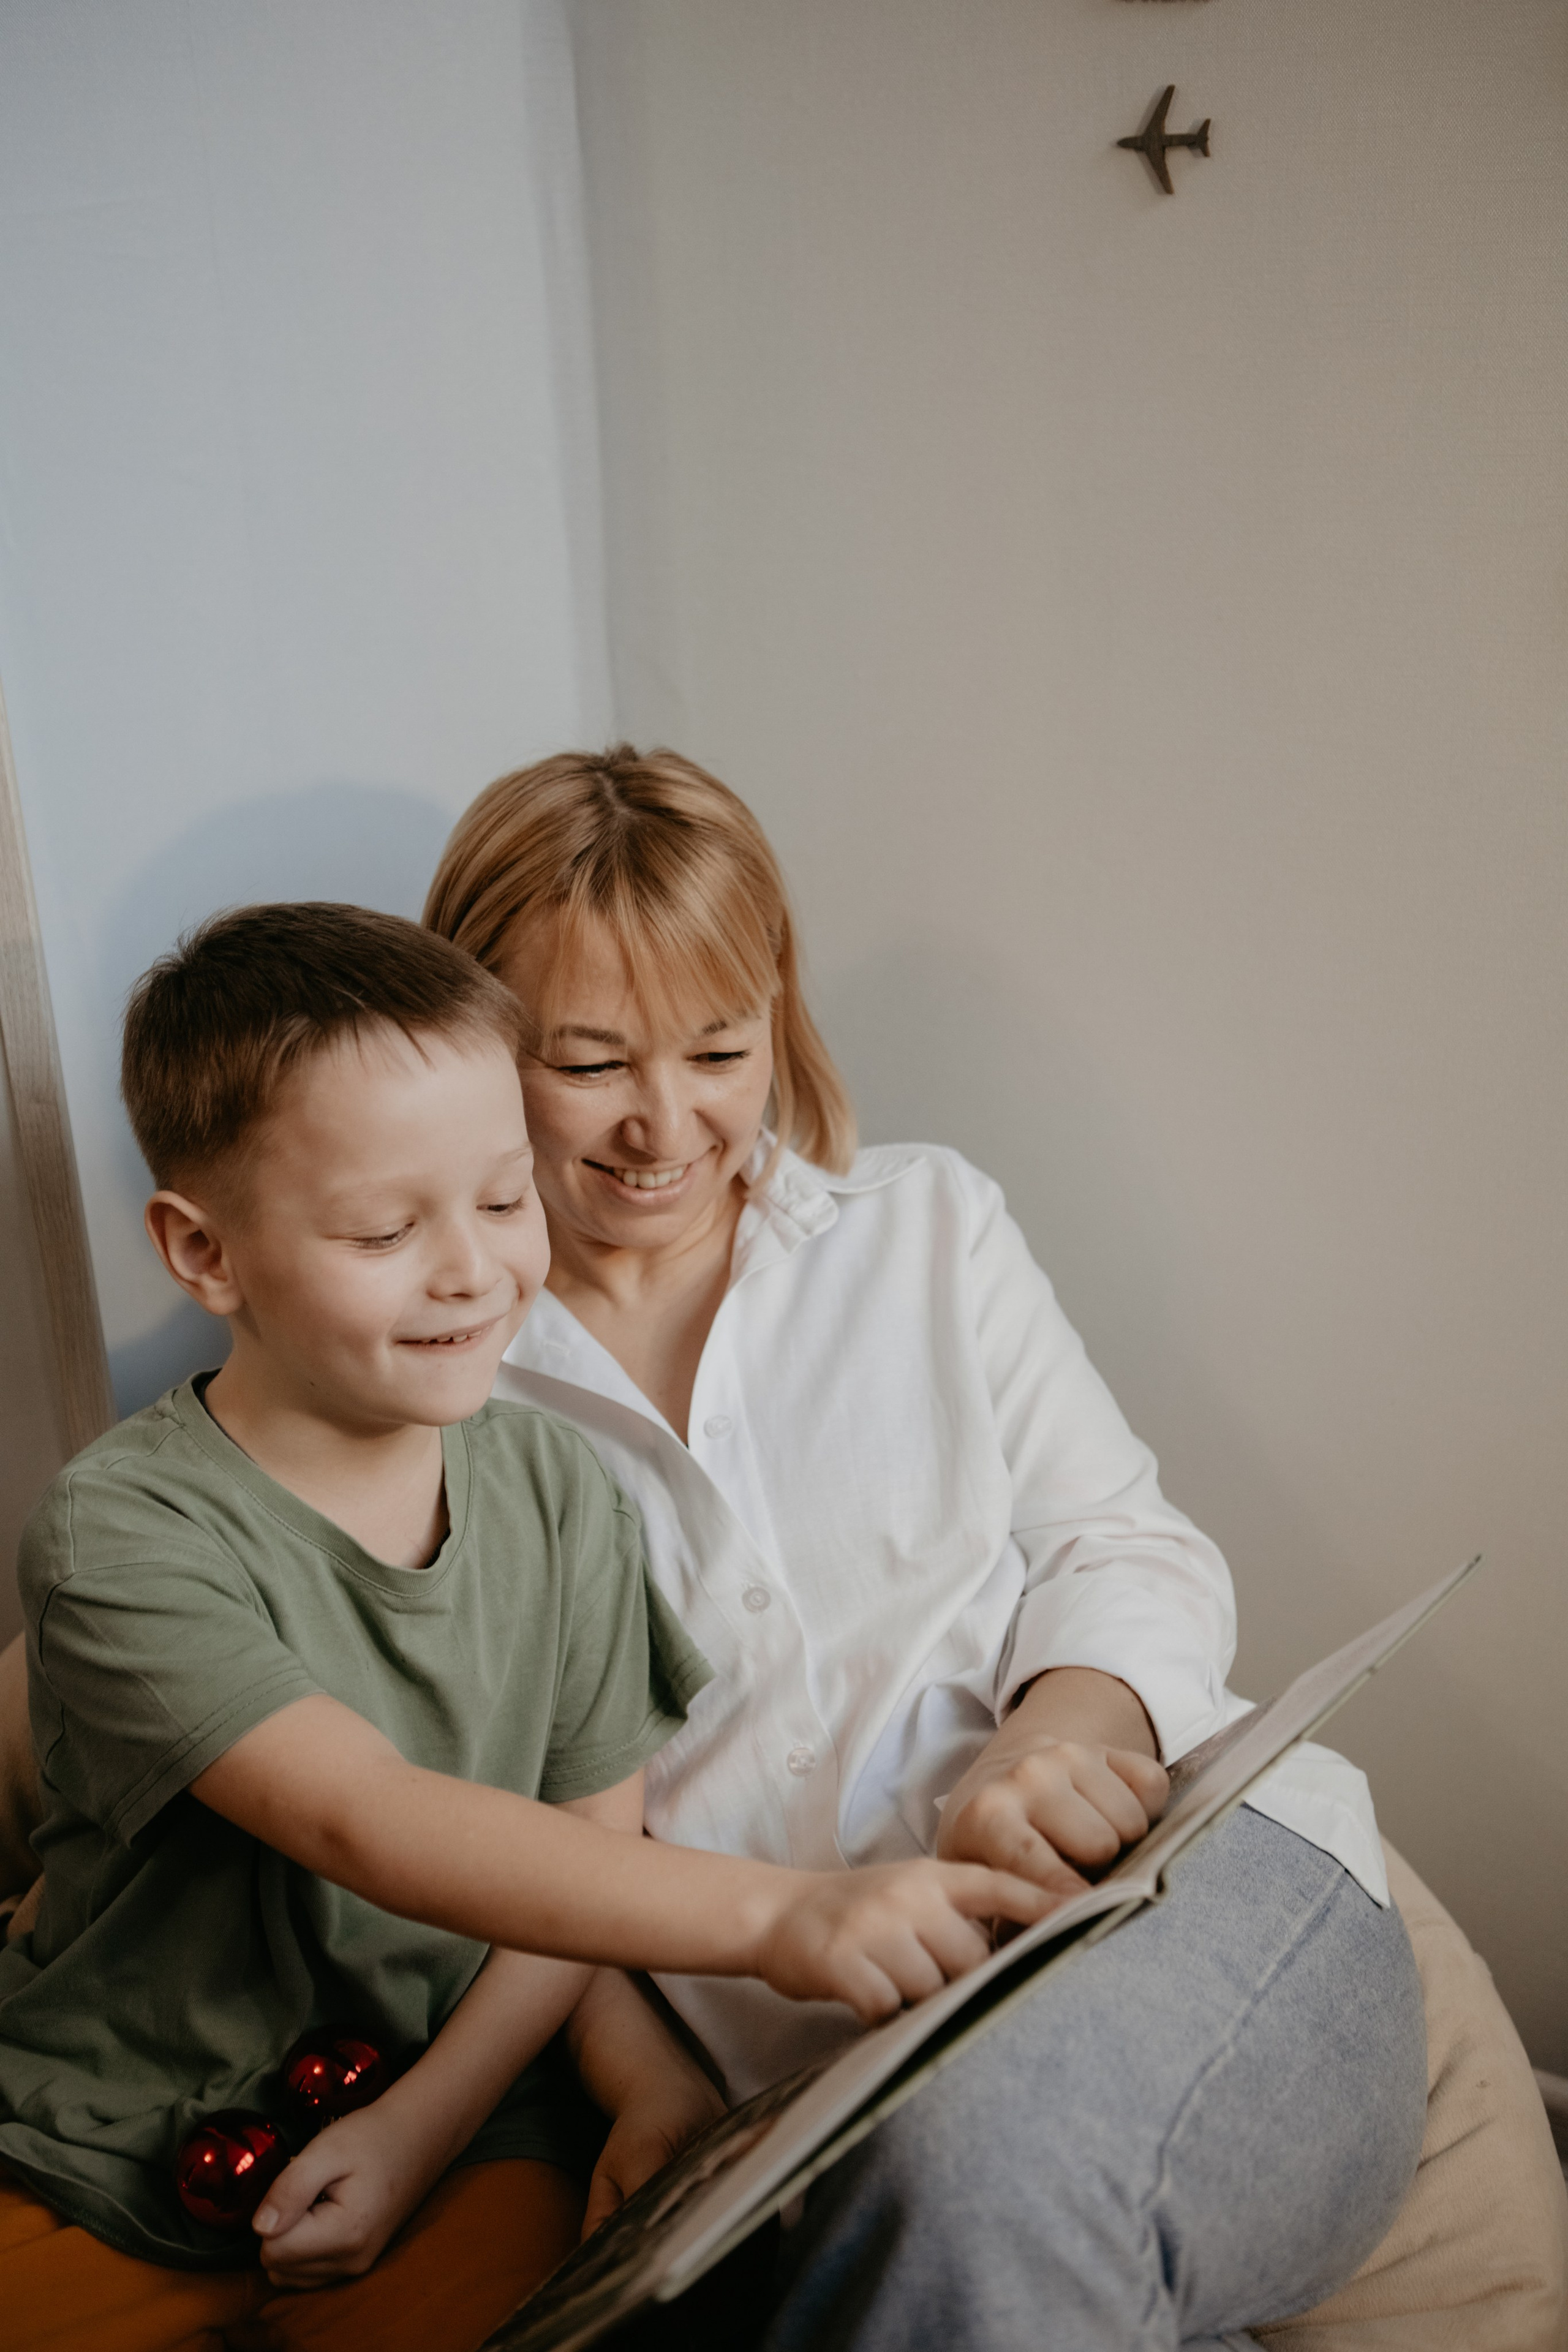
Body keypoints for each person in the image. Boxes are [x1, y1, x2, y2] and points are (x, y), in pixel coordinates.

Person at [420, 745, 1430, 2351]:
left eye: (718, 1049)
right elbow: (479, 1830)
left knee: (984, 2175)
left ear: (779, 1016)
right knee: (951, 2199)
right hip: (831, 2078)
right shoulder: (433, 1396)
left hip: (1194, 1896)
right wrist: (640, 2069)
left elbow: (1121, 1544)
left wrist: (1060, 1738)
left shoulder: (925, 1227)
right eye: (589, 1062)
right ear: (470, 1044)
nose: (663, 1124)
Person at [0, 903, 1046, 2352]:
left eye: (503, 1204)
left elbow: (585, 1839)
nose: (472, 1271)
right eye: (383, 1229)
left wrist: (430, 2128)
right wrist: (784, 1921)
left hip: (464, 2121)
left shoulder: (561, 1489)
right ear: (204, 1254)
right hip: (97, 2139)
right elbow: (367, 1821)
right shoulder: (121, 1533)